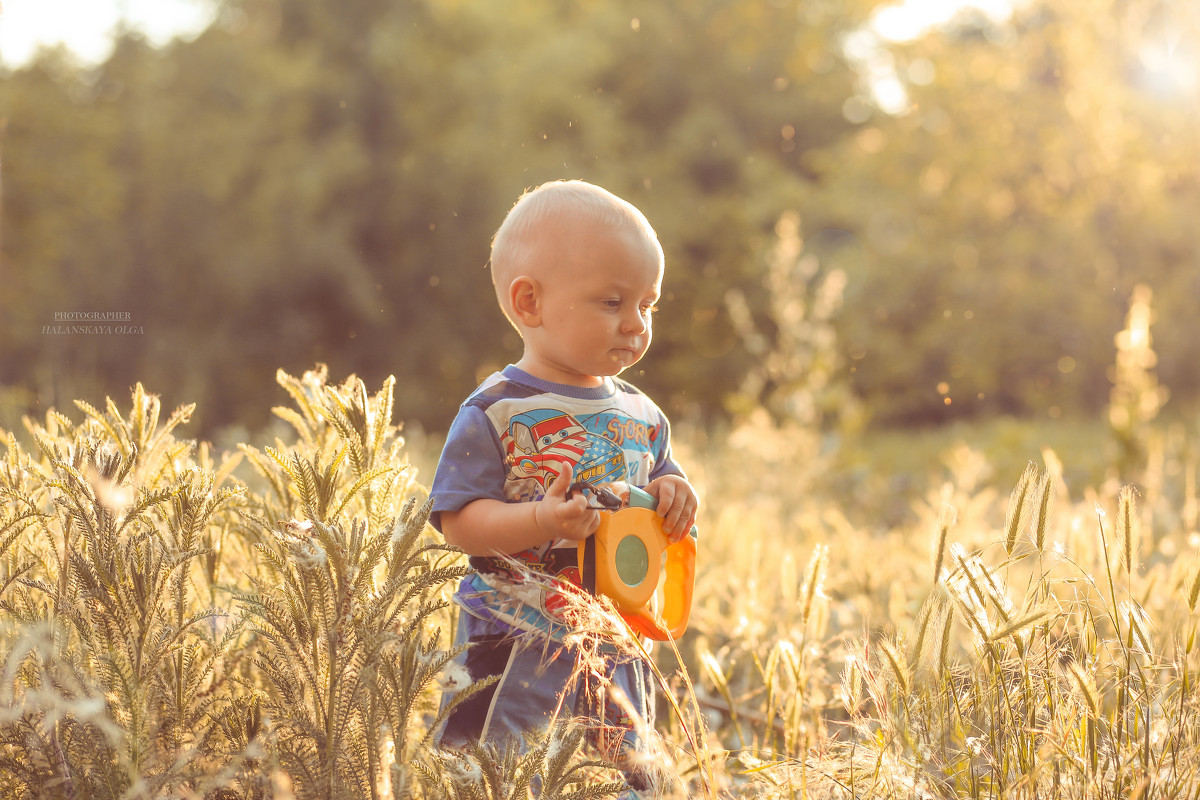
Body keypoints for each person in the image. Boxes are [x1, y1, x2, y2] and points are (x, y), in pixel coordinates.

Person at [430, 179, 699, 797]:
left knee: (631, 778)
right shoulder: (495, 412)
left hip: (618, 641)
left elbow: (659, 483)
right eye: (612, 302)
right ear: (530, 302)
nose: (636, 324)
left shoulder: (642, 414)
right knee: (498, 773)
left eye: (648, 305)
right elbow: (459, 524)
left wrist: (679, 493)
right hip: (512, 641)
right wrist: (539, 522)